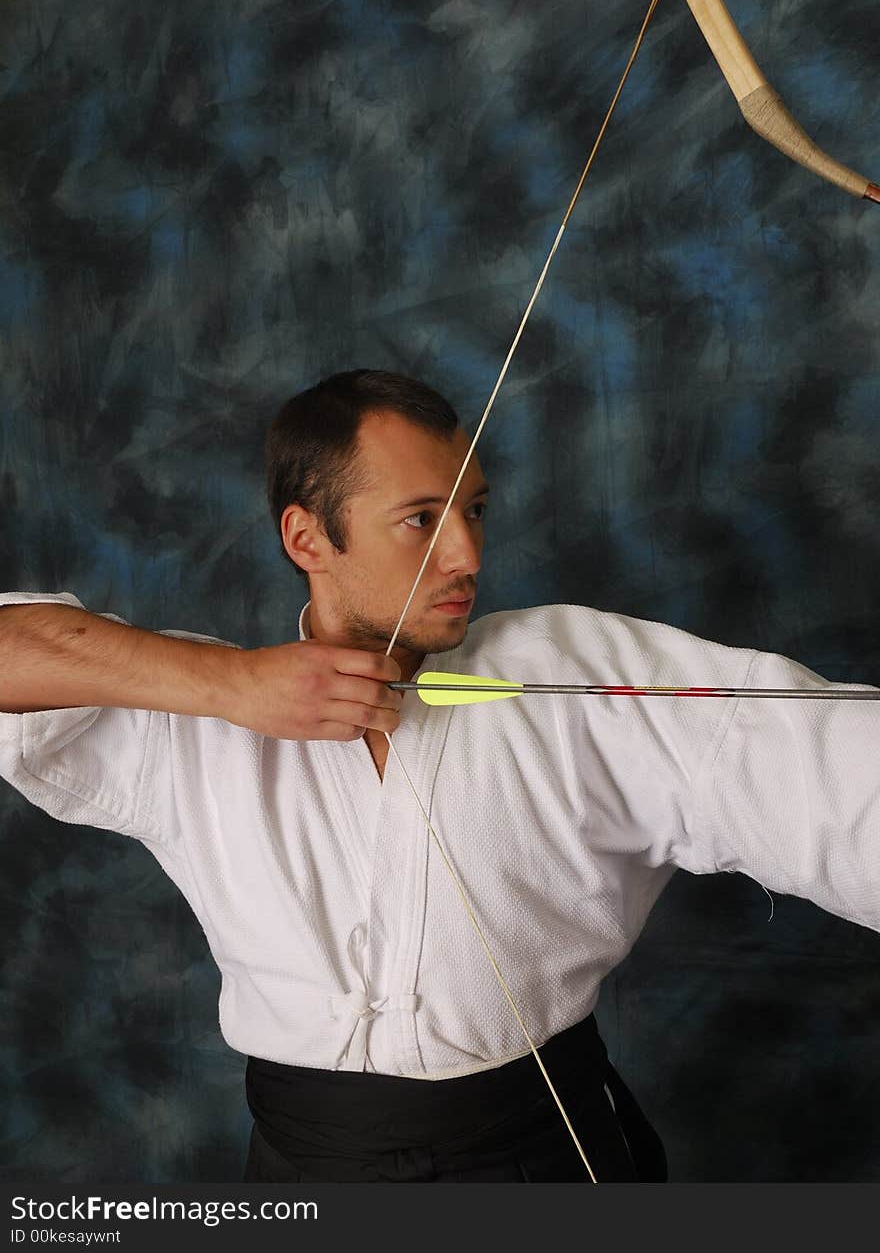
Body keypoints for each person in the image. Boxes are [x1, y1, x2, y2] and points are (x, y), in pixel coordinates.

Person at [1, 369, 877, 1183]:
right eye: (421, 517)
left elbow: (831, 772)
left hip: (540, 1151)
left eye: (476, 509)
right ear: (308, 536)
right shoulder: (196, 710)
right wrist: (232, 685)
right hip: (302, 1162)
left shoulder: (575, 668)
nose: (466, 552)